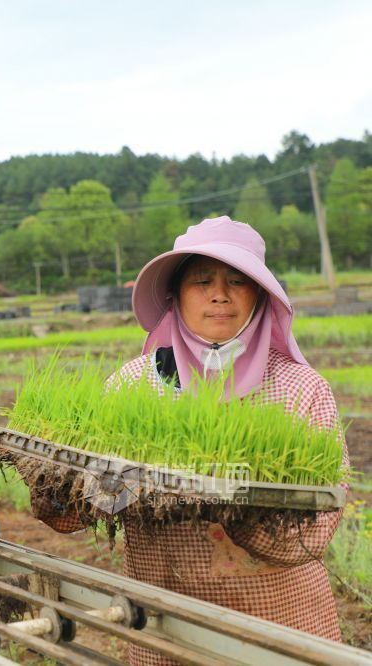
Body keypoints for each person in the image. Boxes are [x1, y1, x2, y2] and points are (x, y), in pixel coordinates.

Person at [35, 217, 349, 665]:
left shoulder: (300, 388)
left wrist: (234, 506)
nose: (219, 294)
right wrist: (56, 485)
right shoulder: (133, 386)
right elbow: (81, 509)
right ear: (176, 296)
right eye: (202, 281)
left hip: (278, 627)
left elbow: (317, 529)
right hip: (165, 625)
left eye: (237, 282)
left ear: (259, 296)